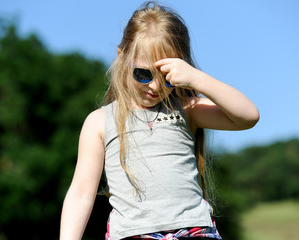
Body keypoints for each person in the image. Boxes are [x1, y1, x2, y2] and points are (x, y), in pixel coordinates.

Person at [60, 1, 259, 240]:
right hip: (132, 234)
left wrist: (196, 78)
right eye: (143, 74)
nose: (154, 87)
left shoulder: (187, 108)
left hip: (193, 231)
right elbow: (81, 192)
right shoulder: (100, 121)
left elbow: (248, 116)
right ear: (121, 58)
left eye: (166, 78)